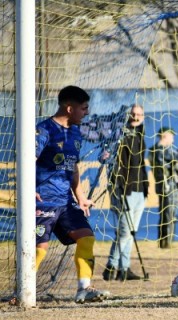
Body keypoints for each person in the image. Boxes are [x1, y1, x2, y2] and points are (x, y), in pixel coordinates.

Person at [35, 85, 110, 304]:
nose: (86, 112)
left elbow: (73, 166)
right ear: (69, 108)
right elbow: (27, 161)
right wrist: (30, 190)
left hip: (66, 201)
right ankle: (23, 289)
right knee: (39, 249)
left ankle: (84, 289)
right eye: (83, 108)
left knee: (86, 237)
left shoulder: (75, 131)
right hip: (44, 199)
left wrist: (80, 196)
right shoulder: (44, 130)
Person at [102, 104, 148, 281]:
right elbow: (103, 156)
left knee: (130, 231)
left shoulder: (140, 134)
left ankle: (122, 268)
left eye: (139, 114)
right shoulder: (118, 134)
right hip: (122, 190)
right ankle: (112, 266)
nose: (136, 117)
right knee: (124, 232)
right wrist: (106, 155)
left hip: (139, 190)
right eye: (133, 114)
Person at [148, 127, 178, 249]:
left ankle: (164, 242)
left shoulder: (156, 149)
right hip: (168, 188)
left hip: (165, 187)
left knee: (167, 215)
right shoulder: (161, 150)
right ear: (165, 136)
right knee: (169, 215)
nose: (173, 138)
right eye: (171, 135)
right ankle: (166, 244)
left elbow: (174, 157)